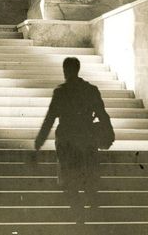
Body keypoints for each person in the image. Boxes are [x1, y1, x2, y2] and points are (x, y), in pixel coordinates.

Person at [34, 57, 114, 221]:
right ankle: (92, 208)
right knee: (88, 174)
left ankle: (79, 213)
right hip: (87, 137)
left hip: (67, 140)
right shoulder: (91, 90)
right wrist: (109, 133)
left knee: (69, 178)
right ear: (78, 69)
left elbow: (50, 118)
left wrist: (40, 140)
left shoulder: (61, 92)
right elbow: (102, 114)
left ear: (65, 70)